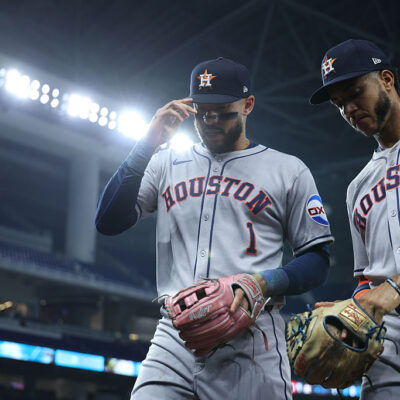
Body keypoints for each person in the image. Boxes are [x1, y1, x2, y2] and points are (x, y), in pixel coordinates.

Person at [96, 57, 334, 400]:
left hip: (250, 338)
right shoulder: (164, 162)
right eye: (203, 112)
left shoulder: (288, 170)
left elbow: (318, 259)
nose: (211, 121)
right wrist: (145, 145)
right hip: (174, 336)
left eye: (223, 112)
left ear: (248, 105)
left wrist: (264, 282)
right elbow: (108, 222)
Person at [310, 39, 400, 399]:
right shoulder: (358, 188)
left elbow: (385, 287)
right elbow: (366, 278)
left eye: (355, 92)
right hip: (387, 348)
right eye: (338, 103)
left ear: (387, 80)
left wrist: (393, 288)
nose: (349, 108)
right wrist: (351, 310)